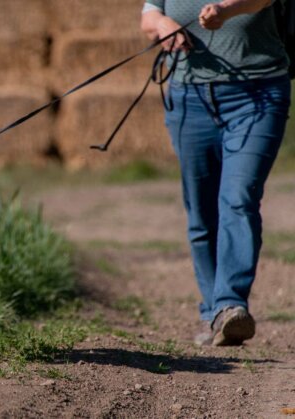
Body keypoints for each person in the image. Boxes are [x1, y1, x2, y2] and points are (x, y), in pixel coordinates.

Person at [140, 0, 291, 346]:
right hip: (188, 99)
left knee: (238, 198)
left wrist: (227, 10)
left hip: (258, 94)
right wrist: (163, 26)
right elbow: (148, 16)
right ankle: (215, 316)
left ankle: (230, 303)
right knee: (201, 211)